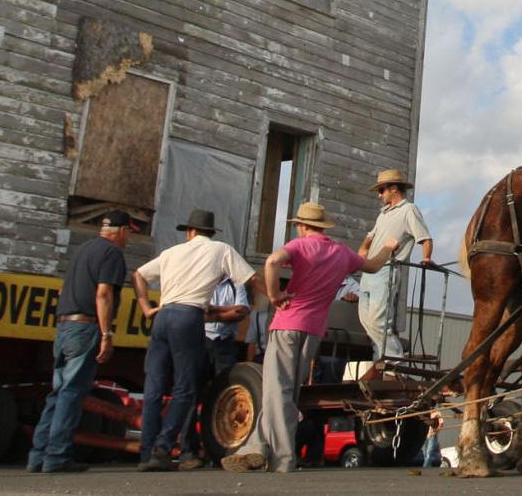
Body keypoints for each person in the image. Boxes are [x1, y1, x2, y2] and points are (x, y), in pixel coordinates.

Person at [224, 202, 399, 473]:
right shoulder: (341, 252)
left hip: (287, 324)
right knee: (288, 392)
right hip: (314, 330)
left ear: (301, 226)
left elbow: (271, 262)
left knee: (277, 390)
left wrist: (273, 296)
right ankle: (256, 446)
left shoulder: (300, 246)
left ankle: (282, 458)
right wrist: (388, 246)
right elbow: (374, 266)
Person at [131, 208, 258, 471]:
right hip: (189, 316)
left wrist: (145, 306)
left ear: (189, 232)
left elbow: (139, 275)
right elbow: (251, 278)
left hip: (163, 315)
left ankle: (146, 452)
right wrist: (278, 297)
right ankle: (163, 447)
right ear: (210, 233)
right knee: (185, 388)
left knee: (154, 387)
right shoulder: (221, 250)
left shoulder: (171, 253)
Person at [26, 210, 138, 474]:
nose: (129, 238)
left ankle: (37, 456)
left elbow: (64, 289)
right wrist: (106, 333)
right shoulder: (111, 254)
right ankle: (57, 456)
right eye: (130, 232)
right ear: (122, 231)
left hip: (64, 324)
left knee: (57, 392)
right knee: (72, 393)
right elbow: (103, 293)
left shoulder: (83, 250)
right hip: (85, 325)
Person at [357, 169, 433, 365]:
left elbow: (424, 237)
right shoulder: (383, 214)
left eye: (382, 190)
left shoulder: (409, 210)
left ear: (393, 189)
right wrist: (364, 248)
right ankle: (380, 360)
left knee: (379, 320)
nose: (379, 195)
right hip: (369, 270)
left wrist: (426, 258)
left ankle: (394, 364)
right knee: (366, 320)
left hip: (387, 270)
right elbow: (370, 236)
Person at [177, 274, 249, 468]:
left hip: (225, 344)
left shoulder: (236, 283)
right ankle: (188, 452)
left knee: (225, 400)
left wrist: (213, 313)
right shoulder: (199, 279)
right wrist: (226, 312)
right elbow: (195, 312)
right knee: (191, 396)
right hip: (200, 341)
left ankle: (220, 451)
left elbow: (241, 312)